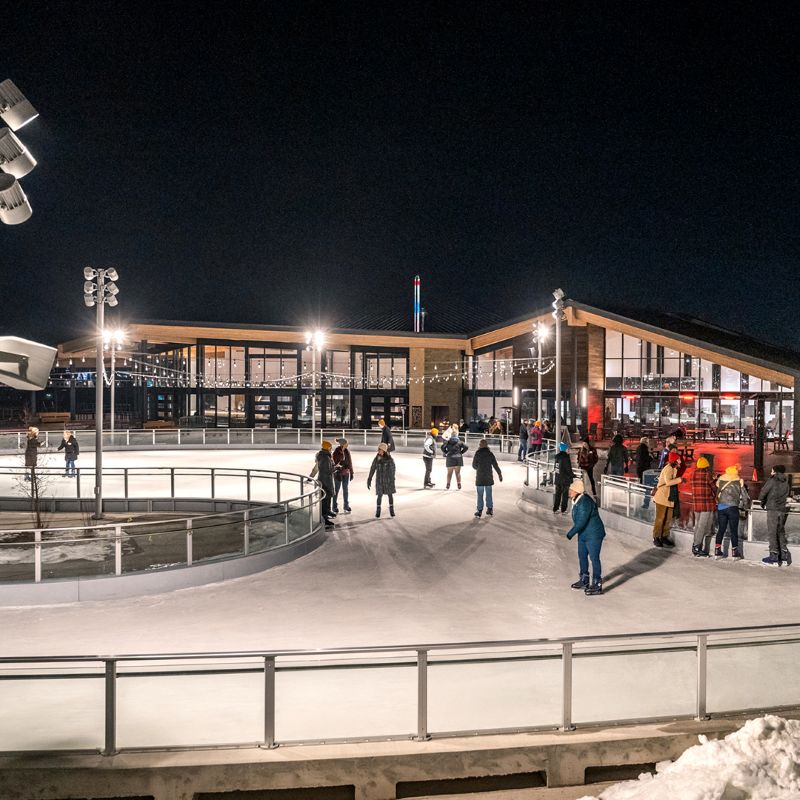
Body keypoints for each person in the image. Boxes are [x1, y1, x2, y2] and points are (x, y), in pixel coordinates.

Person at [566, 479, 606, 596]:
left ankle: (597, 583)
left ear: (576, 491)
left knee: (594, 558)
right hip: (583, 534)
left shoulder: (585, 502)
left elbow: (581, 521)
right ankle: (584, 579)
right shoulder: (577, 500)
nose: (569, 491)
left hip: (594, 534)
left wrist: (570, 533)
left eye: (571, 489)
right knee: (582, 556)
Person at [760, 464, 792, 566]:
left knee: (772, 532)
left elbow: (763, 492)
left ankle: (773, 556)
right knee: (780, 531)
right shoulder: (786, 481)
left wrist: (762, 503)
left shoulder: (772, 480)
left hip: (772, 509)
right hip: (781, 509)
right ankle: (784, 555)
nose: (771, 473)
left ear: (776, 472)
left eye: (772, 471)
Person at [714, 465, 748, 559]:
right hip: (733, 508)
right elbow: (744, 496)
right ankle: (734, 553)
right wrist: (746, 507)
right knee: (733, 530)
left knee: (721, 529)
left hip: (721, 507)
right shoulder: (739, 482)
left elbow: (717, 493)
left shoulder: (721, 481)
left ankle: (717, 551)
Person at [652, 450, 682, 547]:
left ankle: (664, 536)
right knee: (660, 518)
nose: (680, 461)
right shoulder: (668, 468)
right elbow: (668, 482)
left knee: (668, 518)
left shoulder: (674, 469)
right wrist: (680, 480)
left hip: (669, 497)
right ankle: (656, 537)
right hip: (662, 497)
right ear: (674, 460)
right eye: (679, 459)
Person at [690, 456, 716, 556]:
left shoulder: (692, 474)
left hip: (696, 503)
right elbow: (714, 488)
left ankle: (695, 545)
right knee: (702, 526)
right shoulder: (707, 474)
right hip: (706, 504)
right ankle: (697, 546)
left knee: (697, 525)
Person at [472, 439, 502, 517]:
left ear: (480, 445)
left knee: (480, 494)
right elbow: (495, 465)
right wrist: (499, 474)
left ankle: (479, 510)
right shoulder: (490, 454)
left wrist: (479, 467)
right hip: (488, 477)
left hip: (480, 477)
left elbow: (474, 466)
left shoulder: (478, 453)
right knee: (488, 494)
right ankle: (489, 509)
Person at [310, 440, 336, 529]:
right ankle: (324, 519)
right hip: (325, 481)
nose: (331, 449)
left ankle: (327, 512)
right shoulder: (325, 458)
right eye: (330, 448)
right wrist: (336, 468)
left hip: (325, 480)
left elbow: (318, 468)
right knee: (325, 499)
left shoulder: (324, 456)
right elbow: (327, 470)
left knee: (327, 498)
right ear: (327, 448)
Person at [367, 442, 396, 517]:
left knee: (390, 495)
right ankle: (378, 510)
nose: (378, 451)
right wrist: (369, 478)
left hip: (388, 481)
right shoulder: (377, 458)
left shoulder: (389, 459)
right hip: (379, 481)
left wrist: (392, 478)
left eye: (379, 449)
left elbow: (393, 469)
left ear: (383, 450)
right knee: (379, 496)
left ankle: (391, 510)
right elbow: (372, 468)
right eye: (378, 449)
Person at [331, 438, 353, 514]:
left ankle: (346, 506)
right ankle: (334, 506)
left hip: (346, 474)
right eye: (346, 443)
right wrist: (342, 464)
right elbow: (335, 464)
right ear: (343, 444)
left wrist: (352, 472)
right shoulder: (336, 452)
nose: (347, 444)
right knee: (336, 490)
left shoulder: (347, 451)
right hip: (338, 474)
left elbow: (350, 462)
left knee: (345, 490)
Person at [553, 442, 575, 513]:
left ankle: (555, 508)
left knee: (558, 494)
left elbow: (556, 468)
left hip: (558, 479)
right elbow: (568, 469)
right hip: (565, 480)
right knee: (565, 495)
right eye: (567, 449)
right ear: (565, 449)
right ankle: (563, 509)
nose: (568, 450)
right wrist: (573, 475)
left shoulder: (557, 457)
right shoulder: (566, 457)